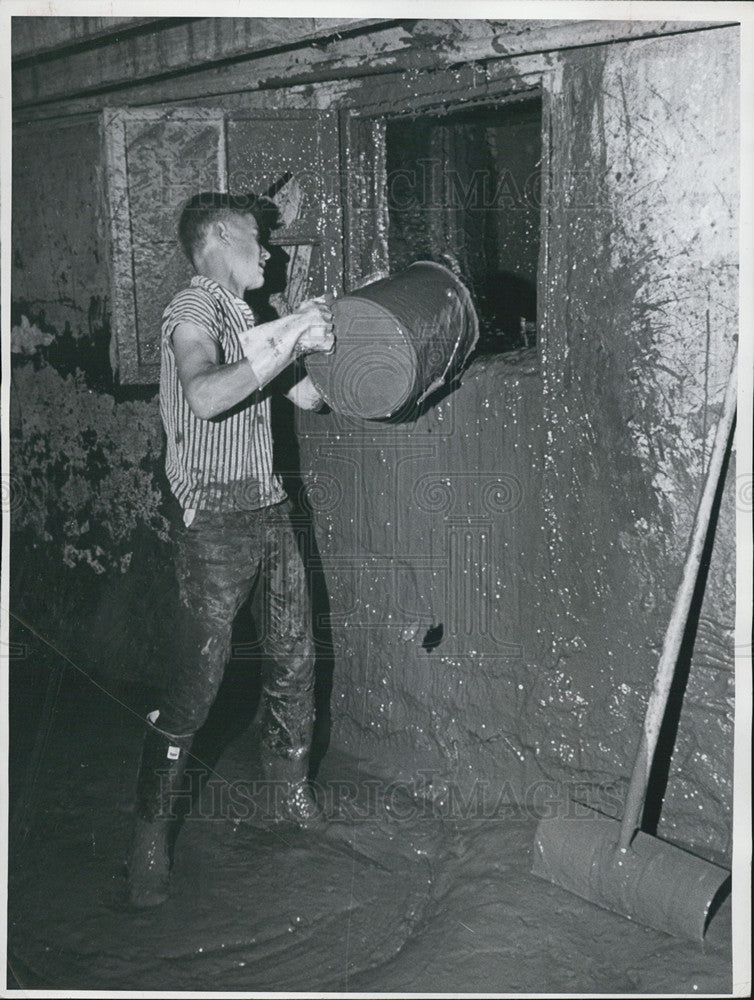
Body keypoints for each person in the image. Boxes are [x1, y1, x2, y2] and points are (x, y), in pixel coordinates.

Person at [127, 192, 334, 908]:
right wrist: (291, 335)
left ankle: (289, 796)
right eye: (257, 238)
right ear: (217, 238)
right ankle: (149, 844)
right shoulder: (194, 311)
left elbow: (307, 400)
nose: (269, 252)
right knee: (198, 685)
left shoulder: (247, 316)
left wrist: (337, 338)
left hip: (268, 508)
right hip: (213, 518)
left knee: (294, 658)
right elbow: (209, 397)